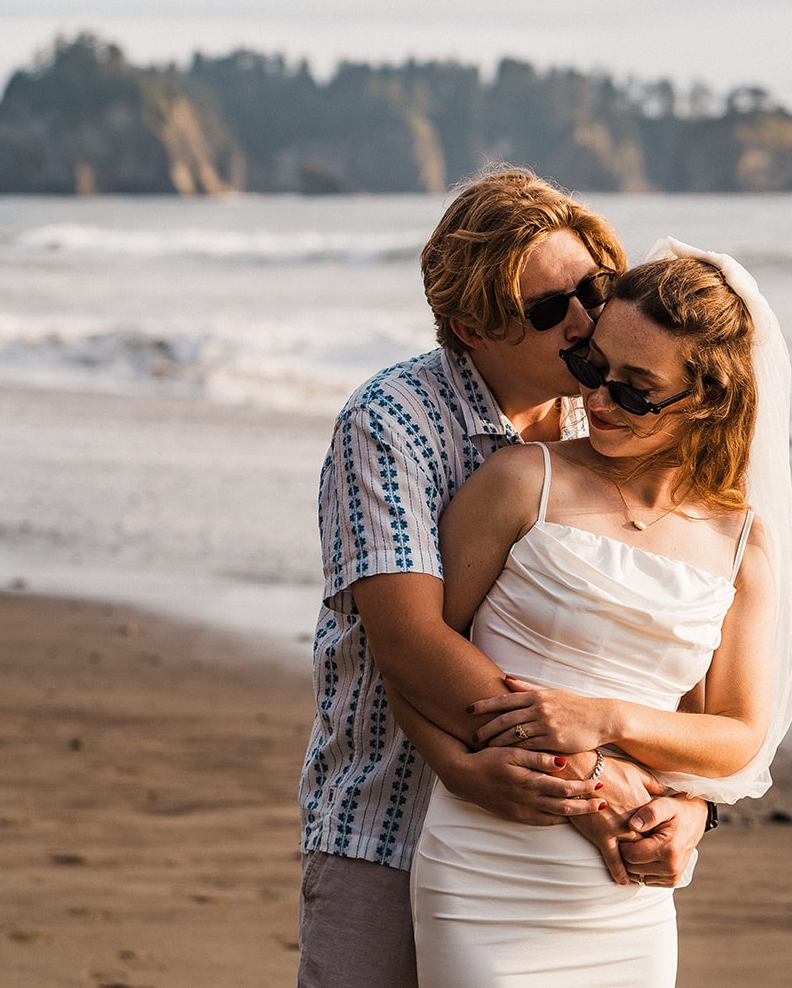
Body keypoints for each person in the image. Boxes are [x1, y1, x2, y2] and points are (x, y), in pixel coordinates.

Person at [297, 170, 717, 987]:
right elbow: (411, 639)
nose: (590, 319)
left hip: (568, 850)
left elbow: (675, 630)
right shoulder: (389, 422)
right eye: (549, 309)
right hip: (393, 820)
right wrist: (594, 780)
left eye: (593, 288)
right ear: (469, 328)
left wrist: (692, 805)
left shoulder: (613, 417)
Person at [399, 241, 792, 985]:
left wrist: (618, 731)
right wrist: (460, 768)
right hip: (486, 866)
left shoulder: (743, 541)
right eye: (595, 369)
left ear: (711, 397)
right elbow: (411, 661)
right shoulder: (522, 480)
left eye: (635, 389)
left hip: (624, 889)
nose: (596, 400)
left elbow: (738, 735)